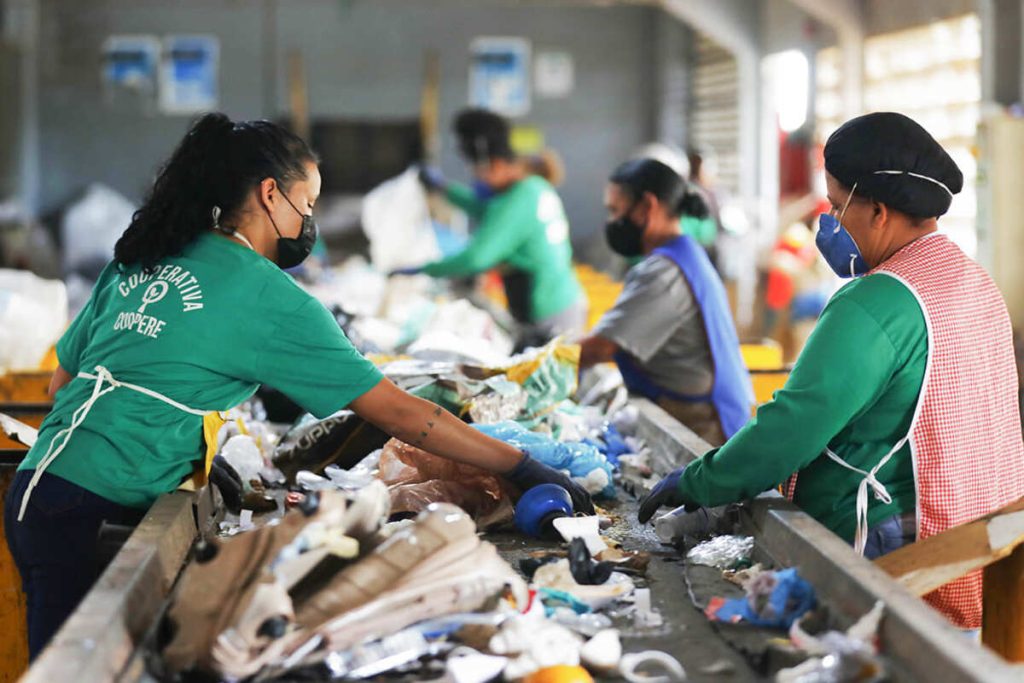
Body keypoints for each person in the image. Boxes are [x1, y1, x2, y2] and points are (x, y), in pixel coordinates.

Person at [3, 113, 593, 659]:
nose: (308, 221)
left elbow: (65, 384)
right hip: (90, 514)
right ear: (270, 194)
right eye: (306, 203)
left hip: (37, 494)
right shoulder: (268, 296)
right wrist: (520, 465)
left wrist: (184, 446)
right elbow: (399, 413)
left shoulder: (141, 256)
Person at [639, 112, 1024, 631]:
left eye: (838, 206)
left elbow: (790, 429)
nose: (830, 223)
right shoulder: (973, 282)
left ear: (879, 211)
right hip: (972, 545)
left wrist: (699, 481)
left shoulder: (876, 301)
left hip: (891, 553)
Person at [578, 159, 753, 446]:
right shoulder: (682, 254)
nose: (611, 222)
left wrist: (544, 361)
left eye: (615, 211)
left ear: (647, 206)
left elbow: (602, 347)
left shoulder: (665, 273)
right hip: (697, 410)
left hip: (703, 424)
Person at [414, 108, 587, 346]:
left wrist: (426, 269)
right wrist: (443, 188)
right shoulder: (530, 188)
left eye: (477, 171)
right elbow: (482, 208)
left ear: (494, 164)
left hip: (549, 314)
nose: (477, 180)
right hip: (560, 303)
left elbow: (476, 258)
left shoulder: (518, 199)